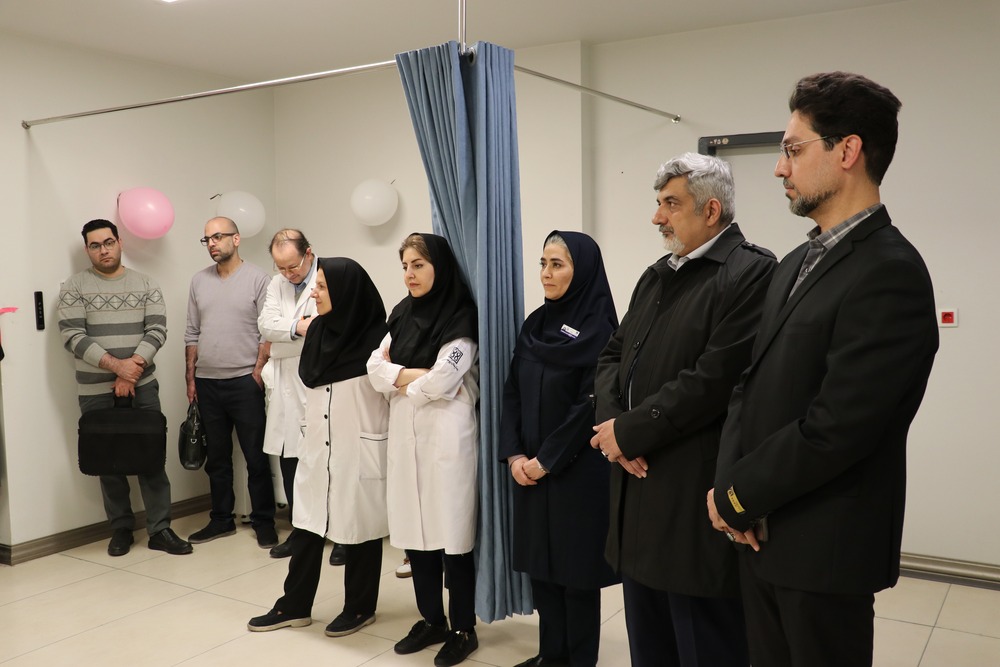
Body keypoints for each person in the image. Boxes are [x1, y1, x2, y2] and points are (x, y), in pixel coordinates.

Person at [708, 72, 938, 667]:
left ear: (847, 150)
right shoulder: (793, 264)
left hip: (823, 548)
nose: (779, 168)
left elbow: (839, 426)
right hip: (758, 533)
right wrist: (732, 490)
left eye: (792, 149)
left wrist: (738, 494)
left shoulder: (890, 271)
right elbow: (749, 384)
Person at [590, 153, 776, 667]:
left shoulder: (751, 274)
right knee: (649, 647)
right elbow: (611, 356)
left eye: (670, 204)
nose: (657, 217)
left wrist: (630, 432)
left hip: (691, 504)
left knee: (704, 644)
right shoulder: (657, 276)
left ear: (711, 210)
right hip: (636, 501)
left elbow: (714, 379)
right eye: (659, 203)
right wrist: (614, 430)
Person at [248, 257, 390, 636]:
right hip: (316, 446)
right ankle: (294, 605)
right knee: (307, 525)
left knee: (360, 529)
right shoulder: (318, 334)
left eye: (323, 286)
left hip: (359, 448)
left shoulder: (379, 341)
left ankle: (360, 607)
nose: (314, 292)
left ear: (346, 292)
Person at [499, 231, 619, 667]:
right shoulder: (535, 323)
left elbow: (589, 405)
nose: (546, 274)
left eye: (558, 264)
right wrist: (515, 454)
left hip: (576, 473)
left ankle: (579, 659)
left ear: (581, 271)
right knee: (543, 572)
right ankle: (551, 656)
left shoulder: (601, 330)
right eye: (543, 263)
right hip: (529, 470)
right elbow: (512, 391)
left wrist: (545, 461)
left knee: (576, 578)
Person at [367, 233, 480, 667]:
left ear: (439, 268)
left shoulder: (462, 315)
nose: (409, 274)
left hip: (448, 436)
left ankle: (463, 628)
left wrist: (401, 380)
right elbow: (373, 368)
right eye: (405, 266)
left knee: (453, 534)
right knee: (415, 534)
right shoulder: (401, 312)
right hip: (405, 432)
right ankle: (431, 619)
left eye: (418, 265)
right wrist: (417, 376)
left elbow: (445, 378)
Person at [58, 219, 191, 557]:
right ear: (87, 249)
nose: (103, 250)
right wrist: (119, 368)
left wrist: (130, 373)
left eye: (108, 242)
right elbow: (73, 336)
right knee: (108, 460)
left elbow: (157, 330)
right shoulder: (74, 287)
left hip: (142, 385)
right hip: (94, 391)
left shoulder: (146, 283)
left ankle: (160, 529)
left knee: (151, 457)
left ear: (120, 243)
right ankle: (120, 528)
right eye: (95, 245)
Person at [185, 216, 277, 548]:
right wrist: (190, 377)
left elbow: (268, 331)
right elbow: (192, 332)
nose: (212, 243)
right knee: (217, 459)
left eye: (218, 237)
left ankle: (264, 521)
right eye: (207, 239)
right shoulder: (199, 281)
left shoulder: (258, 279)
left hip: (244, 382)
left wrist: (258, 371)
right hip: (207, 382)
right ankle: (221, 520)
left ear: (236, 239)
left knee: (256, 457)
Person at [257, 229, 319, 559]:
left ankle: (339, 535)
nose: (287, 274)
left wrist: (280, 341)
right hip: (284, 386)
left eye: (292, 266)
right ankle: (300, 532)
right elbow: (265, 326)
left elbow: (323, 331)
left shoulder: (327, 278)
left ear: (308, 253)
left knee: (324, 462)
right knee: (290, 461)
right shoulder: (276, 283)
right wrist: (297, 327)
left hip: (316, 381)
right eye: (280, 267)